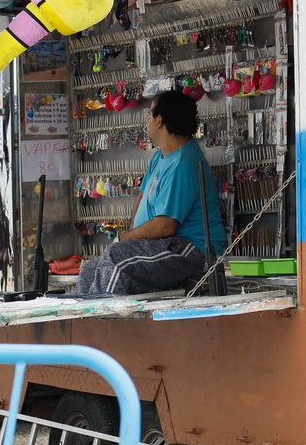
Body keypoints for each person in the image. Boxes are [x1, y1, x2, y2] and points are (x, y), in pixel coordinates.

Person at [76, 90, 227, 296]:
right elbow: (142, 196)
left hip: (192, 251)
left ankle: (102, 315)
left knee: (116, 260)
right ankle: (82, 314)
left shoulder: (183, 164)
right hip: (163, 245)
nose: (147, 120)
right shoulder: (160, 157)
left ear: (159, 121)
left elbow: (165, 226)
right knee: (90, 269)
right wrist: (132, 238)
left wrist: (124, 240)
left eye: (149, 115)